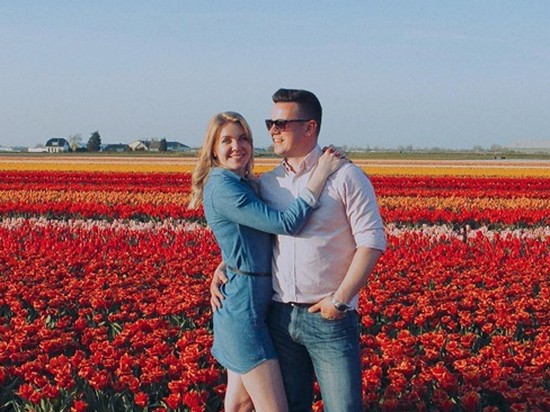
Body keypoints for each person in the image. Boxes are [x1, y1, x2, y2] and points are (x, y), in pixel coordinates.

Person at [211, 90, 387, 411]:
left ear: (309, 127)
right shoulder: (268, 183)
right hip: (279, 316)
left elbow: (372, 241)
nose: (273, 130)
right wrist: (226, 265)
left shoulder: (345, 176)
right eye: (270, 123)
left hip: (328, 318)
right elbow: (250, 232)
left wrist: (339, 300)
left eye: (281, 123)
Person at [189, 111, 346, 412]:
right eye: (226, 141)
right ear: (213, 149)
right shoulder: (223, 187)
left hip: (250, 299)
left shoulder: (242, 182)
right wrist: (320, 174)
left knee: (240, 403)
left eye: (243, 138)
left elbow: (245, 237)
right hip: (243, 311)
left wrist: (227, 263)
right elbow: (285, 224)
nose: (237, 146)